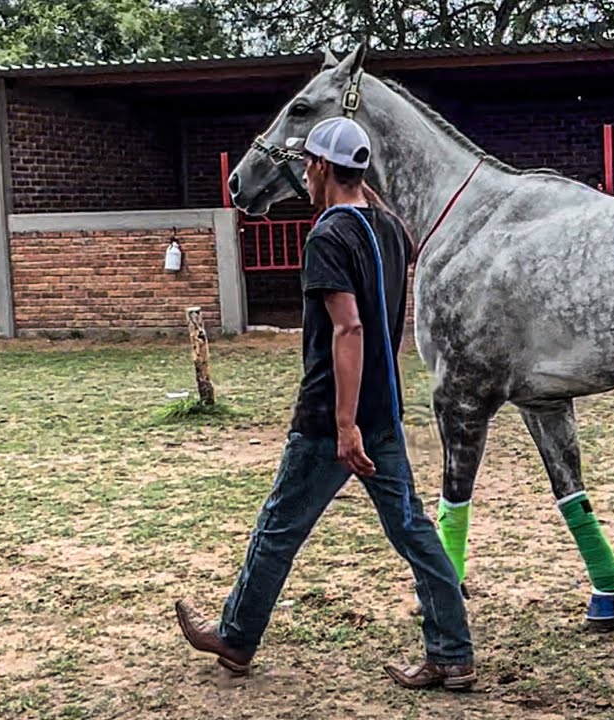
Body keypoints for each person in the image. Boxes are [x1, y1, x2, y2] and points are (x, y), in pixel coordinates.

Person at [174, 116, 477, 692]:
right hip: (384, 410)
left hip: (329, 420)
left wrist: (343, 425)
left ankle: (236, 639)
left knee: (278, 528)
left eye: (306, 167)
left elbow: (349, 330)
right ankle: (453, 653)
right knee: (414, 531)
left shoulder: (327, 238)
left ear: (317, 167)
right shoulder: (389, 228)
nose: (303, 179)